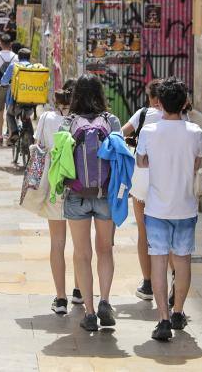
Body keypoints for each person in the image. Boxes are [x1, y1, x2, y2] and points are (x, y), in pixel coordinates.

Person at [135, 77, 202, 341]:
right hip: (185, 207)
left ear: (159, 103)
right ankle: (179, 312)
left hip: (157, 209)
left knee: (159, 262)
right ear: (185, 103)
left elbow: (141, 162)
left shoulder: (149, 131)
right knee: (183, 262)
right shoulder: (195, 132)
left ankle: (163, 319)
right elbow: (197, 164)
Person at [57, 74, 122, 331]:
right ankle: (105, 300)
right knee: (105, 249)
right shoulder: (111, 120)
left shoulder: (69, 122)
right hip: (105, 194)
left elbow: (59, 158)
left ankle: (90, 312)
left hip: (76, 194)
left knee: (82, 254)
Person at [27, 79, 83, 314]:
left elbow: (37, 147)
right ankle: (80, 290)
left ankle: (60, 298)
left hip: (54, 186)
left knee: (57, 243)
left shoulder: (48, 118)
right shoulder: (85, 119)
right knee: (81, 244)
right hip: (80, 186)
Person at [120, 79, 162, 301]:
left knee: (144, 232)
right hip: (168, 181)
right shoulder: (179, 117)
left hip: (142, 180)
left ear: (150, 97)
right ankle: (172, 279)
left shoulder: (143, 114)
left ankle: (148, 283)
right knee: (169, 233)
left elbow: (120, 133)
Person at [0, 48, 34, 145]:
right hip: (31, 101)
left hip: (16, 102)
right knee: (27, 116)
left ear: (18, 57)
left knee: (9, 114)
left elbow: (4, 81)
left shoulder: (14, 66)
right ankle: (32, 137)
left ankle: (14, 132)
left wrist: (5, 84)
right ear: (29, 57)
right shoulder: (34, 67)